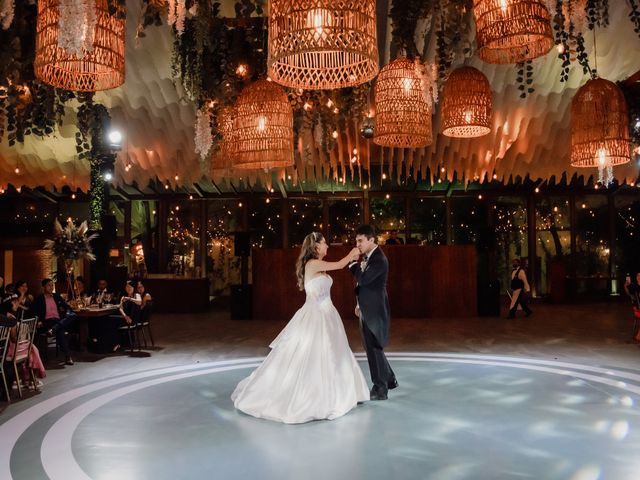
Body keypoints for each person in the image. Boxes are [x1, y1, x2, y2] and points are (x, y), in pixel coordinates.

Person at [232, 232, 368, 424]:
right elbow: (339, 265)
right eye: (324, 243)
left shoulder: (319, 266)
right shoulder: (312, 264)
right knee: (312, 355)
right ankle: (313, 396)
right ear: (316, 247)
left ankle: (338, 390)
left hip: (328, 315)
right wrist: (352, 253)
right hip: (315, 315)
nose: (327, 246)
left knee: (332, 353)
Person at [349, 224, 397, 401]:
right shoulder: (369, 257)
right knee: (371, 348)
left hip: (375, 310)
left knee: (374, 348)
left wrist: (353, 264)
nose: (358, 244)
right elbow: (363, 285)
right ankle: (389, 379)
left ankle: (380, 389)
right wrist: (359, 304)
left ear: (371, 240)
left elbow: (364, 279)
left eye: (360, 240)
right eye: (356, 240)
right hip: (366, 308)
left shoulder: (379, 259)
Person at [31, 278, 76, 365]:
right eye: (49, 285)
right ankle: (67, 356)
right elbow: (33, 312)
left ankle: (53, 329)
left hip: (57, 320)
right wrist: (38, 320)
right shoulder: (39, 299)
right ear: (43, 287)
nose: (51, 287)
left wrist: (66, 311)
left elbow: (67, 307)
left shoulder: (57, 296)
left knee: (72, 315)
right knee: (60, 332)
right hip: (47, 322)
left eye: (52, 285)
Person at [624, 272, 640, 342]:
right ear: (636, 277)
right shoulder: (634, 286)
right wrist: (625, 286)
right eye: (638, 275)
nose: (639, 277)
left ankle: (638, 336)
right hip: (638, 310)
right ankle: (638, 336)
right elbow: (630, 295)